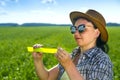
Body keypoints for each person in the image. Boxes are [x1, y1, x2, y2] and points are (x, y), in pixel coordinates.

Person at [32, 9, 113, 80]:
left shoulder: (102, 61)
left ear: (97, 33)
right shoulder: (72, 55)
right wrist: (38, 60)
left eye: (82, 28)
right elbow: (48, 77)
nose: (76, 33)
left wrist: (68, 65)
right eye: (74, 29)